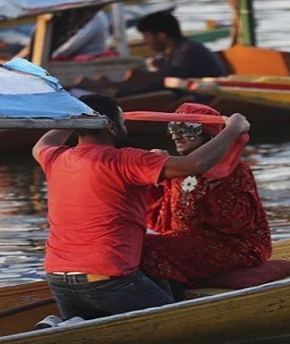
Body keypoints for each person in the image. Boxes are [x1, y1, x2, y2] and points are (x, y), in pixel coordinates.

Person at [32, 93, 251, 320]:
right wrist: (233, 129)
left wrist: (74, 115)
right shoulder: (126, 159)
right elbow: (196, 164)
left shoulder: (55, 157)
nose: (126, 128)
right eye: (123, 122)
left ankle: (61, 326)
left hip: (58, 279)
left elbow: (42, 144)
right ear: (111, 127)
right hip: (109, 280)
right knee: (177, 325)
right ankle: (63, 325)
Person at [141, 103, 272, 296]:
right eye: (173, 128)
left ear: (208, 134)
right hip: (191, 243)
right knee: (132, 240)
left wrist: (202, 184)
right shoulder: (180, 170)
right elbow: (162, 222)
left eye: (185, 129)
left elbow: (235, 223)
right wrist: (152, 176)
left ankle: (168, 301)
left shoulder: (233, 169)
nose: (176, 135)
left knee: (144, 247)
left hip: (236, 247)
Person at [116, 11, 228, 97]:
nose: (145, 41)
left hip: (207, 101)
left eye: (147, 36)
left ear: (161, 35)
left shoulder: (188, 52)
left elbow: (165, 83)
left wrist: (125, 94)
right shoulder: (177, 50)